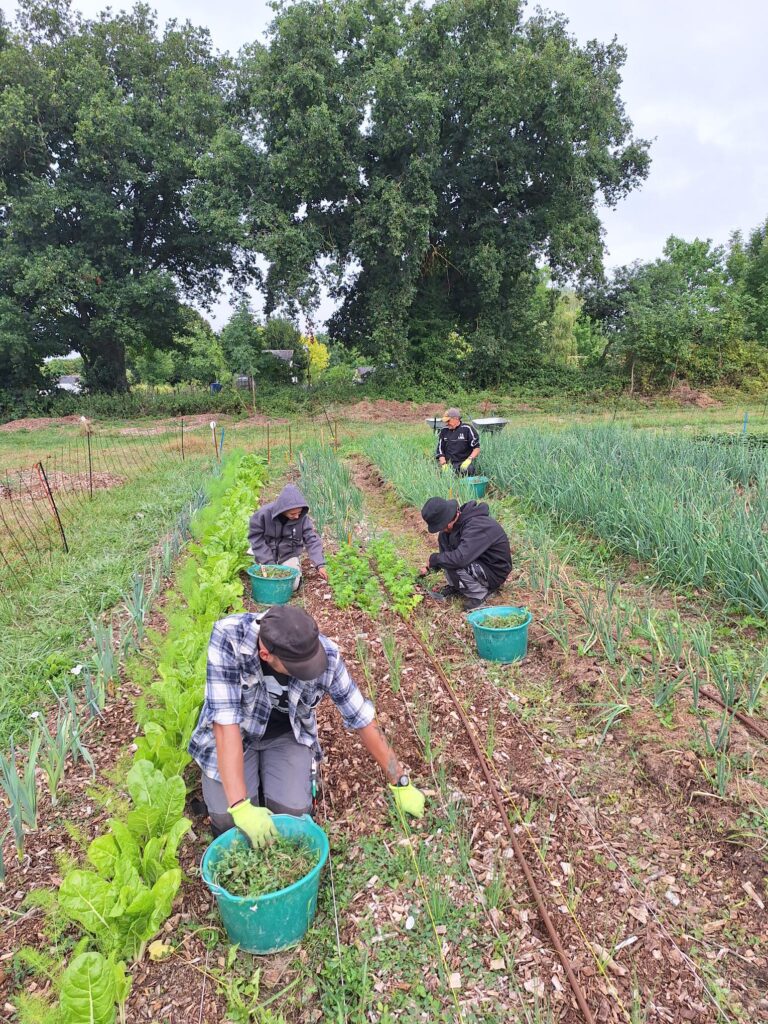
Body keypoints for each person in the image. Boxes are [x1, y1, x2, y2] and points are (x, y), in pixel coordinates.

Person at [188, 605, 425, 844]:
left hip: (287, 735)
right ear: (265, 655)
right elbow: (225, 723)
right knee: (229, 823)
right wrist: (240, 805)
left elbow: (361, 716)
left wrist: (400, 781)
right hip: (237, 734)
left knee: (293, 816)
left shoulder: (326, 654)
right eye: (298, 669)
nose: (310, 670)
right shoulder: (229, 638)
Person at [419, 496, 512, 611]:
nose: (441, 530)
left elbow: (460, 559)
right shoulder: (447, 531)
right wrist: (429, 569)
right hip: (478, 562)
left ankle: (480, 594)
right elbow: (445, 556)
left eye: (441, 526)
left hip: (494, 571)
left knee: (454, 561)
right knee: (447, 556)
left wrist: (435, 559)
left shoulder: (477, 525)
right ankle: (458, 586)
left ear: (448, 521)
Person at [248, 483, 327, 591]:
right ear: (282, 510)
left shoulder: (302, 518)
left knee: (291, 586)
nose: (297, 516)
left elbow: (311, 540)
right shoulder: (263, 515)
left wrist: (320, 564)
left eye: (299, 512)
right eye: (293, 514)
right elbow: (256, 539)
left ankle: (295, 571)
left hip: (288, 555)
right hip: (265, 555)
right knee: (267, 584)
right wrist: (269, 563)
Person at [435, 408, 480, 475]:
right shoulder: (444, 430)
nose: (446, 423)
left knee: (469, 470)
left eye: (448, 421)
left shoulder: (467, 428)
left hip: (463, 463)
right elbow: (440, 449)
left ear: (456, 419)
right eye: (445, 421)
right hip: (448, 463)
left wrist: (469, 460)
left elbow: (476, 448)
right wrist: (443, 464)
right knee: (440, 474)